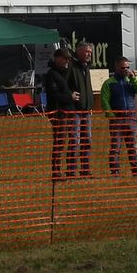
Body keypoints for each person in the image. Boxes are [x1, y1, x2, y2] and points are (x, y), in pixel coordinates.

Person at [38, 45, 91, 180]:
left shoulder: (65, 72)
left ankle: (71, 170)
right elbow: (54, 94)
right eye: (64, 58)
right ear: (56, 58)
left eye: (68, 59)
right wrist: (70, 97)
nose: (67, 61)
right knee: (60, 142)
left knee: (72, 141)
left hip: (69, 111)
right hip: (58, 113)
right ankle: (56, 172)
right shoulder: (51, 74)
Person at [98, 56, 137, 177]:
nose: (126, 70)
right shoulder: (109, 83)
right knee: (115, 146)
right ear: (117, 67)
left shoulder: (131, 80)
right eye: (123, 68)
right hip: (117, 119)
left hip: (131, 118)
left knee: (133, 146)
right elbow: (104, 100)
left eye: (128, 67)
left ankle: (136, 170)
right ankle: (115, 171)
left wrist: (134, 79)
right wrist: (110, 114)